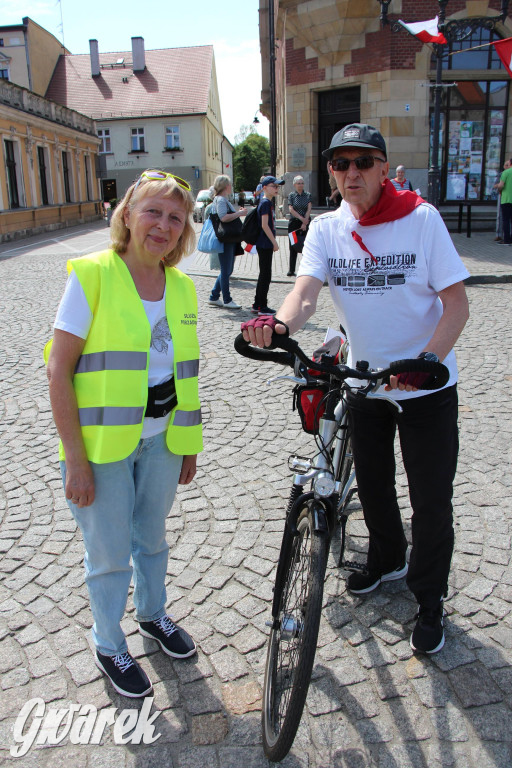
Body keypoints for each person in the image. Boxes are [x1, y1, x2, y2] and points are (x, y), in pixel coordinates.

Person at [241, 124, 470, 655]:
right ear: (330, 172)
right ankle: (388, 557)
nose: (351, 173)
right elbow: (304, 296)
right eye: (340, 164)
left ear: (383, 168)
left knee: (430, 500)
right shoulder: (326, 230)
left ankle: (430, 599)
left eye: (363, 162)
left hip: (426, 386)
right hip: (364, 382)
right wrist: (279, 326)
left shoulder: (421, 219)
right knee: (373, 486)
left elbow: (456, 304)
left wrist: (427, 360)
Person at [46, 169, 202, 698]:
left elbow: (183, 375)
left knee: (152, 539)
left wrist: (186, 444)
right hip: (102, 447)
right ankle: (108, 640)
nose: (162, 225)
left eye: (175, 218)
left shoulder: (182, 287)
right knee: (109, 553)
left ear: (184, 232)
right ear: (129, 215)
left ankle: (153, 614)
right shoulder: (92, 275)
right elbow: (58, 370)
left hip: (162, 440)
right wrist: (75, 460)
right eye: (153, 212)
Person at [208, 175, 246, 310]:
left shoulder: (222, 199)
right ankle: (227, 300)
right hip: (225, 239)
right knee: (226, 271)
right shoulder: (220, 200)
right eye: (229, 184)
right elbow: (223, 218)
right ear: (225, 186)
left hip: (229, 238)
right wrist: (239, 214)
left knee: (227, 270)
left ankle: (214, 296)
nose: (231, 187)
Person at [252, 175, 285, 315]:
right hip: (265, 243)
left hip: (264, 243)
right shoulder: (265, 203)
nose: (276, 189)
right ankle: (261, 307)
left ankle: (257, 304)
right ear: (264, 188)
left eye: (277, 186)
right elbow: (265, 226)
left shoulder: (266, 202)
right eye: (273, 186)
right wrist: (274, 242)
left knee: (264, 274)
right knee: (265, 275)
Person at [287, 175, 312, 277]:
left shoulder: (308, 195)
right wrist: (301, 219)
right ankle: (291, 270)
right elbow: (291, 209)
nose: (300, 185)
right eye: (298, 183)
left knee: (306, 246)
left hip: (305, 222)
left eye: (302, 183)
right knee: (293, 245)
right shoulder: (292, 195)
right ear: (294, 185)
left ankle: (305, 268)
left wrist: (305, 222)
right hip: (294, 223)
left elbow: (309, 208)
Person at [493, 159, 511, 243]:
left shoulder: (506, 173)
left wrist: (497, 187)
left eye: (508, 164)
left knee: (506, 220)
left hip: (506, 199)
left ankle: (506, 239)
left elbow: (501, 185)